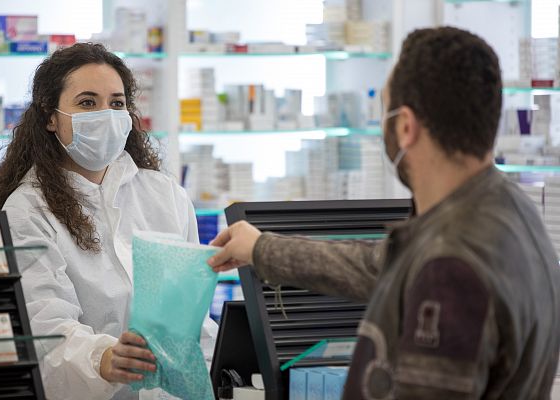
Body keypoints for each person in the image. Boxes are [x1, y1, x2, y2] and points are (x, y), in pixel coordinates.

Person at [208, 27, 560, 399]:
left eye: (385, 112)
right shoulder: (508, 211)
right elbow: (379, 265)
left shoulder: (451, 268)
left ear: (406, 127)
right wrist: (262, 248)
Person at [0, 43, 218, 400]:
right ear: (50, 116)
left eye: (116, 104)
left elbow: (193, 323)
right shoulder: (27, 211)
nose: (105, 114)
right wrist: (103, 358)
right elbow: (45, 332)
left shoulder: (164, 195)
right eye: (87, 103)